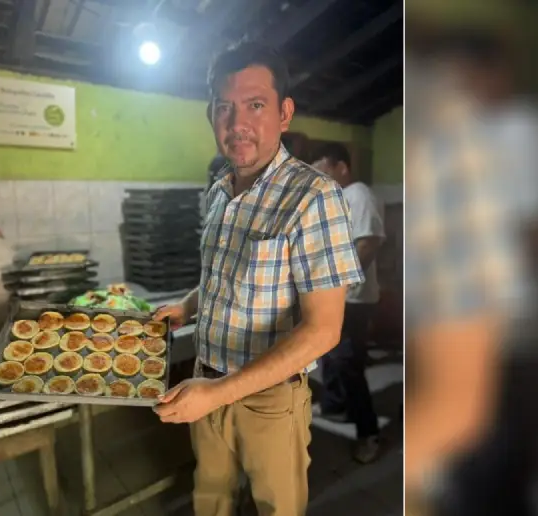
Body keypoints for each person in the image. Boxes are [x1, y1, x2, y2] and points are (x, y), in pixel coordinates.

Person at [152, 42, 364, 516]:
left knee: (277, 508)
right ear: (210, 114)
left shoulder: (314, 197)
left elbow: (324, 330)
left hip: (269, 401)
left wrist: (220, 392)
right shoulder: (219, 191)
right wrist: (187, 305)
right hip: (205, 380)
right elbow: (223, 274)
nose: (237, 123)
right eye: (224, 108)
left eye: (255, 105)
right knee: (211, 500)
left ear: (284, 113)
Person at [311, 143, 385, 463]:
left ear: (341, 167)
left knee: (348, 364)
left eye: (323, 172)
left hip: (353, 299)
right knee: (329, 355)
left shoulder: (359, 195)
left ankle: (369, 433)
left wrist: (341, 284)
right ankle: (335, 406)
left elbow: (369, 242)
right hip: (332, 295)